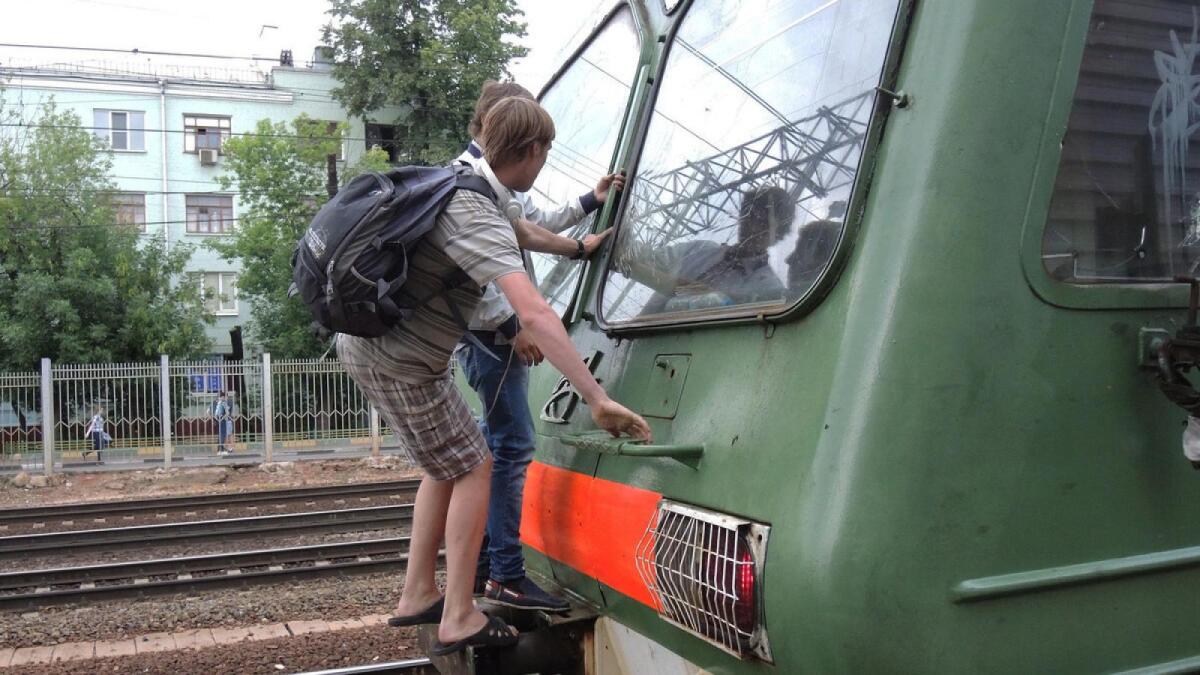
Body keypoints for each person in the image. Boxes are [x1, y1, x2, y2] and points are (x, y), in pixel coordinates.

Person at [337, 97, 651, 655]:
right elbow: (533, 312)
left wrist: (581, 240)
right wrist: (597, 397)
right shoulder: (473, 209)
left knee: (447, 465)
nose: (545, 161)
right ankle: (458, 613)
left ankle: (417, 593)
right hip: (401, 360)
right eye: (546, 151)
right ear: (531, 151)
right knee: (476, 466)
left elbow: (527, 233)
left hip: (381, 351)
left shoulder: (467, 184)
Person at [454, 80, 626, 612]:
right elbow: (480, 275)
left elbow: (528, 229)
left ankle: (484, 568)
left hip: (485, 339)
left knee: (490, 449)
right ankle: (504, 574)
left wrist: (584, 215)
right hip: (489, 339)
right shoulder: (471, 190)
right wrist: (513, 327)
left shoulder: (487, 183)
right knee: (511, 449)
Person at [617, 184, 796, 315]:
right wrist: (619, 209)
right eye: (749, 214)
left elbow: (707, 297)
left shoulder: (769, 289)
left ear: (778, 234)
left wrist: (629, 266)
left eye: (763, 222)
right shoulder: (699, 249)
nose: (752, 226)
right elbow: (648, 258)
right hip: (635, 339)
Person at [214, 391, 233, 456]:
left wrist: (217, 418)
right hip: (223, 420)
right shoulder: (222, 403)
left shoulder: (218, 403)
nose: (222, 398)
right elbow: (227, 413)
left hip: (222, 420)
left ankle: (221, 449)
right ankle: (221, 450)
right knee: (223, 435)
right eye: (221, 397)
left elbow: (212, 412)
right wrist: (221, 418)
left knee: (223, 435)